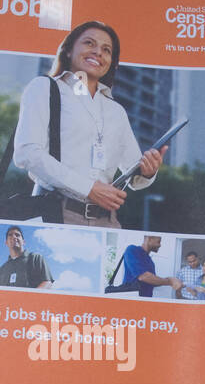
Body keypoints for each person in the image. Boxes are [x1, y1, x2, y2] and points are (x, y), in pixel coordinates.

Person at [13, 20, 167, 229]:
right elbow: (26, 153)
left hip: (107, 221)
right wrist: (89, 188)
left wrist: (148, 171)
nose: (98, 52)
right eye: (89, 43)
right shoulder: (44, 88)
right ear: (68, 50)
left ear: (111, 61)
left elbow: (134, 176)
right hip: (54, 214)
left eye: (106, 50)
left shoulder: (116, 111)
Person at [119, 235, 183, 297]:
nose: (160, 245)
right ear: (149, 239)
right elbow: (143, 277)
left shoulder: (150, 261)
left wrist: (169, 279)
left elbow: (151, 282)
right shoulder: (132, 249)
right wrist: (170, 281)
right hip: (132, 300)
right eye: (158, 242)